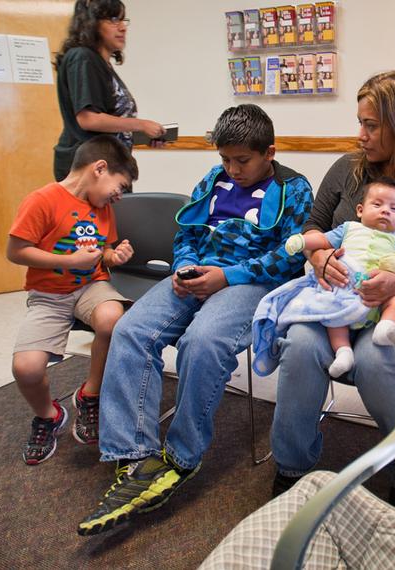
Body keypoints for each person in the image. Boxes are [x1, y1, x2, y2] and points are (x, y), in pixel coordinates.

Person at [77, 104, 314, 536]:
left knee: (202, 341)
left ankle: (181, 457)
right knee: (130, 332)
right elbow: (186, 232)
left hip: (248, 283)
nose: (232, 169)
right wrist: (183, 268)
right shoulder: (213, 179)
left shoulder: (295, 188)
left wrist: (228, 276)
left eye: (242, 161)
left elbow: (290, 258)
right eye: (225, 159)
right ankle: (136, 454)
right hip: (195, 274)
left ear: (269, 152)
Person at [268, 71, 395, 499]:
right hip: (338, 296)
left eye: (371, 125)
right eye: (361, 122)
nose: (360, 134)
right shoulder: (347, 170)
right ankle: (293, 466)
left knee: (376, 359)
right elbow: (314, 226)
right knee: (302, 346)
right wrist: (319, 257)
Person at [7, 135, 138, 465]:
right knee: (26, 368)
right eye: (119, 186)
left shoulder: (102, 208)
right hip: (48, 295)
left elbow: (103, 252)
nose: (118, 196)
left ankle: (90, 394)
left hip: (91, 286)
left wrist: (114, 255)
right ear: (99, 168)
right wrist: (68, 261)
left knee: (113, 318)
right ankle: (48, 415)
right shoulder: (42, 200)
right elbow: (16, 252)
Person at [252, 178, 395, 379]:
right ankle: (343, 352)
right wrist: (302, 241)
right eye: (377, 204)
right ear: (360, 210)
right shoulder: (349, 228)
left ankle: (386, 327)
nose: (386, 211)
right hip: (344, 289)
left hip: (380, 292)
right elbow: (322, 239)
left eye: (394, 208)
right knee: (332, 314)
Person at [53, 0, 166, 182]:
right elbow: (88, 119)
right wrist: (140, 124)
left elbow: (110, 126)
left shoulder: (100, 63)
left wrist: (141, 135)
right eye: (113, 20)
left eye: (123, 20)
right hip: (88, 169)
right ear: (92, 23)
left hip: (111, 164)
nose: (122, 28)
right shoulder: (83, 58)